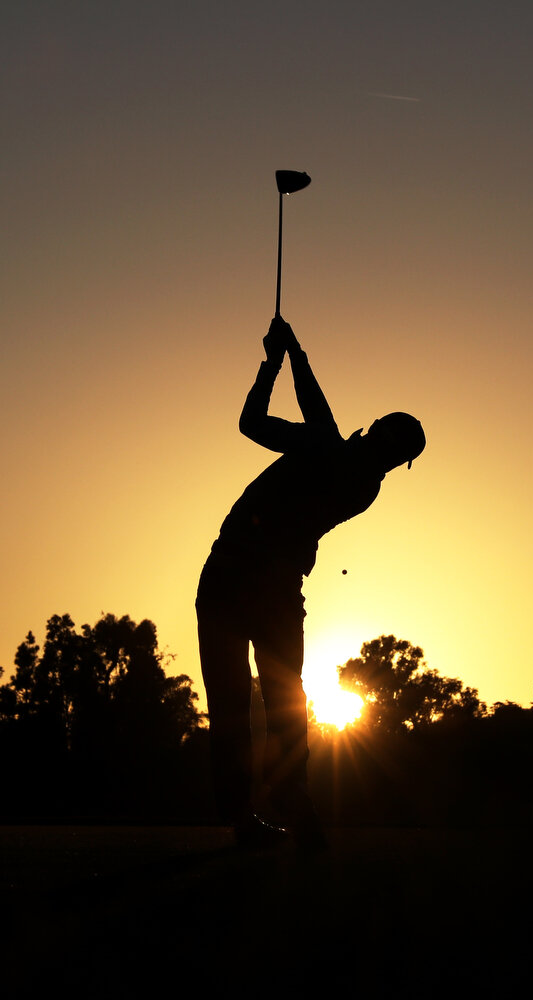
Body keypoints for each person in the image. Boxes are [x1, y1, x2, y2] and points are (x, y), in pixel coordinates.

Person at [197, 316, 425, 849]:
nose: (385, 456)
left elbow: (306, 416)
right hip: (246, 580)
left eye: (391, 452)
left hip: (250, 580)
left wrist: (286, 354)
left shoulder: (348, 471)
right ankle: (262, 810)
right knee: (260, 701)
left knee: (263, 702)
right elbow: (253, 422)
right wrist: (281, 358)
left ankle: (276, 804)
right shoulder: (344, 464)